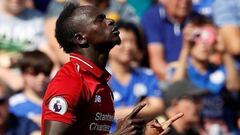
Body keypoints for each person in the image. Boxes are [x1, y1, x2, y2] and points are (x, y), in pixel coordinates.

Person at [42, 2, 183, 135]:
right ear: (81, 38)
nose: (110, 21)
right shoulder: (70, 81)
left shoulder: (101, 83)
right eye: (99, 20)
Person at [107, 21, 164, 132]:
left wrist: (115, 112)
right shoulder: (97, 76)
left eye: (132, 42)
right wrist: (142, 108)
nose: (128, 47)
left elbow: (158, 106)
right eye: (122, 41)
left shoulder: (147, 76)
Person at [141, 0, 192, 80]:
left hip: (193, 77)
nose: (185, 1)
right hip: (168, 81)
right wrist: (177, 79)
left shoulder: (198, 18)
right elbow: (157, 65)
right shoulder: (152, 17)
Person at [9, 50, 54, 127]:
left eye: (46, 72)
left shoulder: (57, 102)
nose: (41, 77)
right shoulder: (12, 104)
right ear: (23, 74)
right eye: (35, 73)